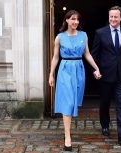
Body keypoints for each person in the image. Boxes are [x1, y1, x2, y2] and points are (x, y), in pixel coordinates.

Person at [49, 10, 101, 151]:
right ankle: (67, 137)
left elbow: (88, 54)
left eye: (77, 19)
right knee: (68, 102)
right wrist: (51, 74)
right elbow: (55, 57)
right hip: (65, 70)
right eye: (73, 19)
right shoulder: (59, 37)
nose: (76, 22)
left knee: (73, 103)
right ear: (67, 20)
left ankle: (67, 133)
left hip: (79, 69)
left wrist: (97, 68)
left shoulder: (83, 35)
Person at [91, 6, 121, 145]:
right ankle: (105, 125)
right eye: (111, 16)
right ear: (109, 17)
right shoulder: (100, 33)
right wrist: (95, 70)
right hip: (105, 75)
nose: (113, 19)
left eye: (116, 17)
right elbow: (94, 54)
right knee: (105, 103)